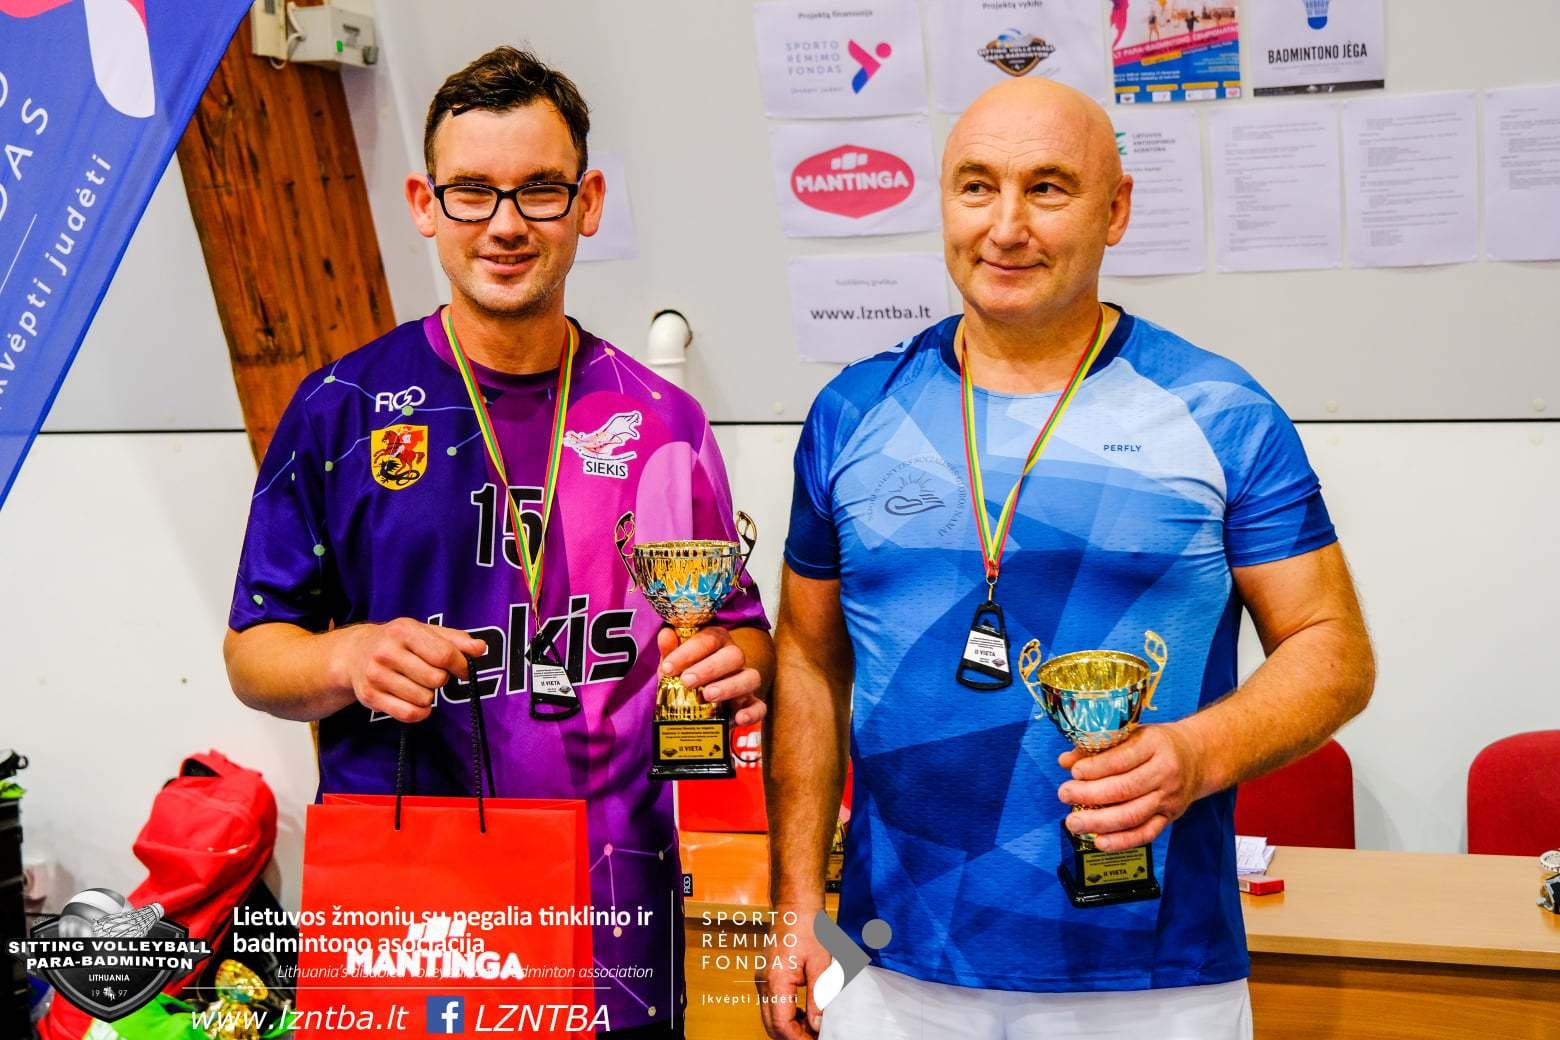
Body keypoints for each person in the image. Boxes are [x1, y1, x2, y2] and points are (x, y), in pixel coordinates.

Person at [760, 77, 1374, 1040]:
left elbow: (1333, 647)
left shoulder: (1219, 411)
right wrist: (797, 901)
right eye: (976, 186)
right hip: (884, 961)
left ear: (1115, 210)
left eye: (1047, 188)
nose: (1006, 227)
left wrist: (1196, 754)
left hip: (1153, 977)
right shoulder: (852, 412)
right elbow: (805, 654)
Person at [223, 46, 773, 1040]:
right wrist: (347, 655)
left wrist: (733, 663)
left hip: (616, 912)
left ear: (587, 202)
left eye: (539, 190)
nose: (506, 223)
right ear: (424, 205)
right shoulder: (340, 409)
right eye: (472, 191)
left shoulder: (664, 421)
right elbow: (254, 653)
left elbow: (743, 638)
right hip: (420, 911)